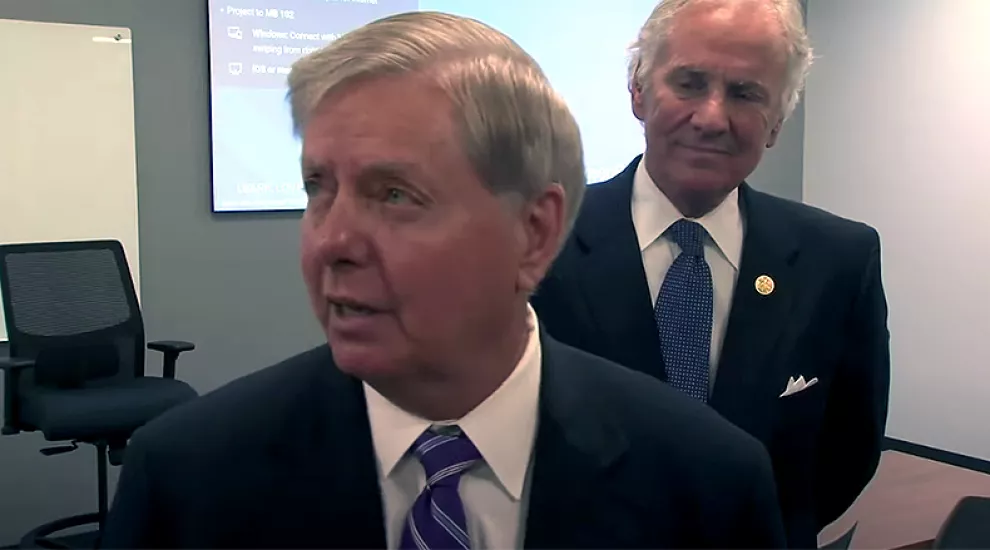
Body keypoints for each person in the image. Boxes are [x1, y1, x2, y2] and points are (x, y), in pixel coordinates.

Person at [99, 10, 786, 550]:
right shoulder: (187, 478)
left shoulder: (707, 483)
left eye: (394, 194)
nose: (331, 241)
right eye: (318, 188)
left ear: (535, 231)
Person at [530, 0, 890, 547]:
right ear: (638, 91)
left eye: (745, 93)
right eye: (690, 83)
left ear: (777, 121)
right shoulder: (538, 243)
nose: (711, 117)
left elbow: (848, 452)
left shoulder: (838, 260)